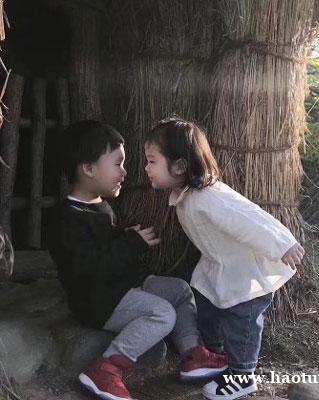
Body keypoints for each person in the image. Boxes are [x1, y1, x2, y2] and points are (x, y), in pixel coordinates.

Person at [49, 120, 227, 400]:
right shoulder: (67, 218)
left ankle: (193, 354)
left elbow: (104, 248)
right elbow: (88, 267)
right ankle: (107, 368)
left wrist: (126, 238)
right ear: (89, 169)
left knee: (180, 290)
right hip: (98, 302)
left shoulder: (101, 207)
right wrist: (130, 243)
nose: (124, 172)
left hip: (121, 287)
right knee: (162, 313)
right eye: (117, 164)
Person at [144, 117, 305, 400]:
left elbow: (250, 218)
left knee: (241, 325)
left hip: (244, 276)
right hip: (219, 267)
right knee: (208, 308)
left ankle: (242, 377)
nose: (146, 168)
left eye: (152, 161)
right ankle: (214, 357)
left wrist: (282, 244)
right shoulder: (187, 195)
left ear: (179, 166)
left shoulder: (210, 198)